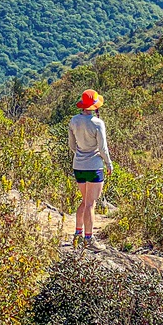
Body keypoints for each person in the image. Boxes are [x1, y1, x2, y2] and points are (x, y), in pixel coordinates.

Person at [68, 89, 113, 249]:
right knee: (90, 204)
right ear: (95, 106)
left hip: (78, 166)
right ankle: (89, 239)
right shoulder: (97, 123)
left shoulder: (74, 121)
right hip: (94, 167)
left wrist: (81, 154)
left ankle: (77, 235)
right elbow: (103, 148)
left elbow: (72, 145)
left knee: (85, 201)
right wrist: (108, 163)